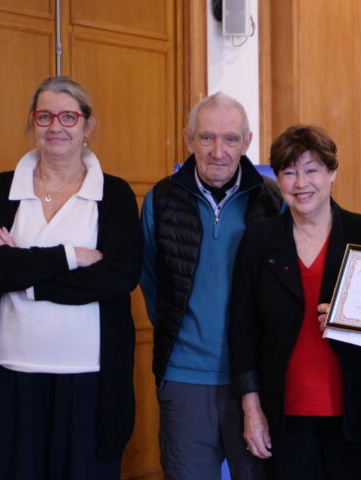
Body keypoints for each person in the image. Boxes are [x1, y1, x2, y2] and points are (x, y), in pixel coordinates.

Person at [0, 76, 142, 479]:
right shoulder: (1, 190)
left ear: (87, 125)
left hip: (90, 379)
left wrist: (25, 277)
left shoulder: (113, 195)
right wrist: (72, 255)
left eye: (68, 116)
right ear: (32, 123)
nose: (56, 127)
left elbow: (118, 276)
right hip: (11, 375)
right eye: (45, 116)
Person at [230, 125, 361, 480]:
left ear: (332, 172)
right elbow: (242, 330)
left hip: (356, 414)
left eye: (312, 169)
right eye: (289, 172)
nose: (301, 182)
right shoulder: (258, 240)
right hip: (283, 414)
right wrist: (251, 409)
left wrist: (352, 316)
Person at [140, 92, 281, 480]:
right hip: (185, 378)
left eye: (230, 139)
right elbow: (152, 283)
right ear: (189, 139)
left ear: (247, 142)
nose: (218, 151)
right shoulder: (160, 200)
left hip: (255, 379)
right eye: (206, 138)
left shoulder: (272, 202)